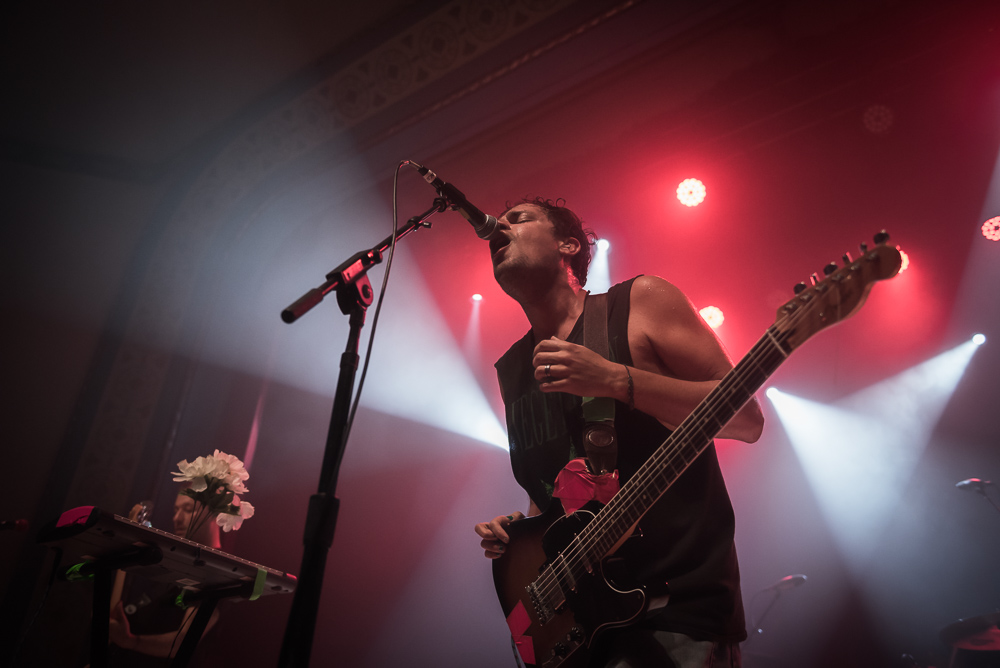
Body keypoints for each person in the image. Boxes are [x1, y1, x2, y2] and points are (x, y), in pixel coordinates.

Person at [474, 197, 764, 668]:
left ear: (569, 244)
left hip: (674, 613)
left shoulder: (641, 303)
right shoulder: (514, 369)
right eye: (499, 225)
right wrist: (522, 537)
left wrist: (616, 381)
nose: (498, 230)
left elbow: (746, 419)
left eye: (519, 219)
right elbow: (552, 491)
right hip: (582, 630)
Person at [104, 491, 223, 666]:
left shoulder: (219, 572)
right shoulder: (169, 561)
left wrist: (131, 641)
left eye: (188, 509)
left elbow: (182, 643)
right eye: (175, 510)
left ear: (216, 515)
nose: (177, 518)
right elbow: (113, 619)